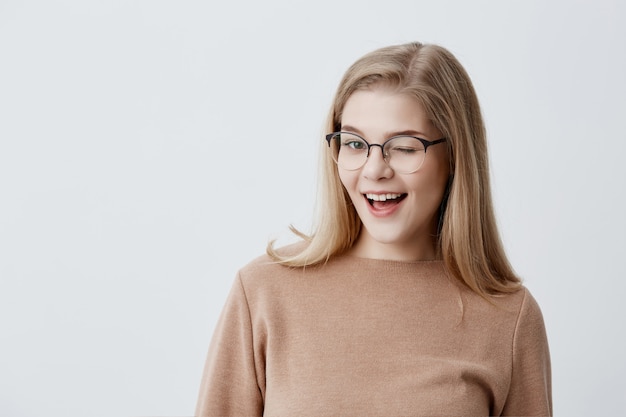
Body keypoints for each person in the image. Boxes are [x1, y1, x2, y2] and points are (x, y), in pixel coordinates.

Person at [195, 42, 552, 416]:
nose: (374, 169)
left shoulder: (508, 317)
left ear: (455, 157)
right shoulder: (263, 293)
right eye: (354, 143)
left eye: (404, 147)